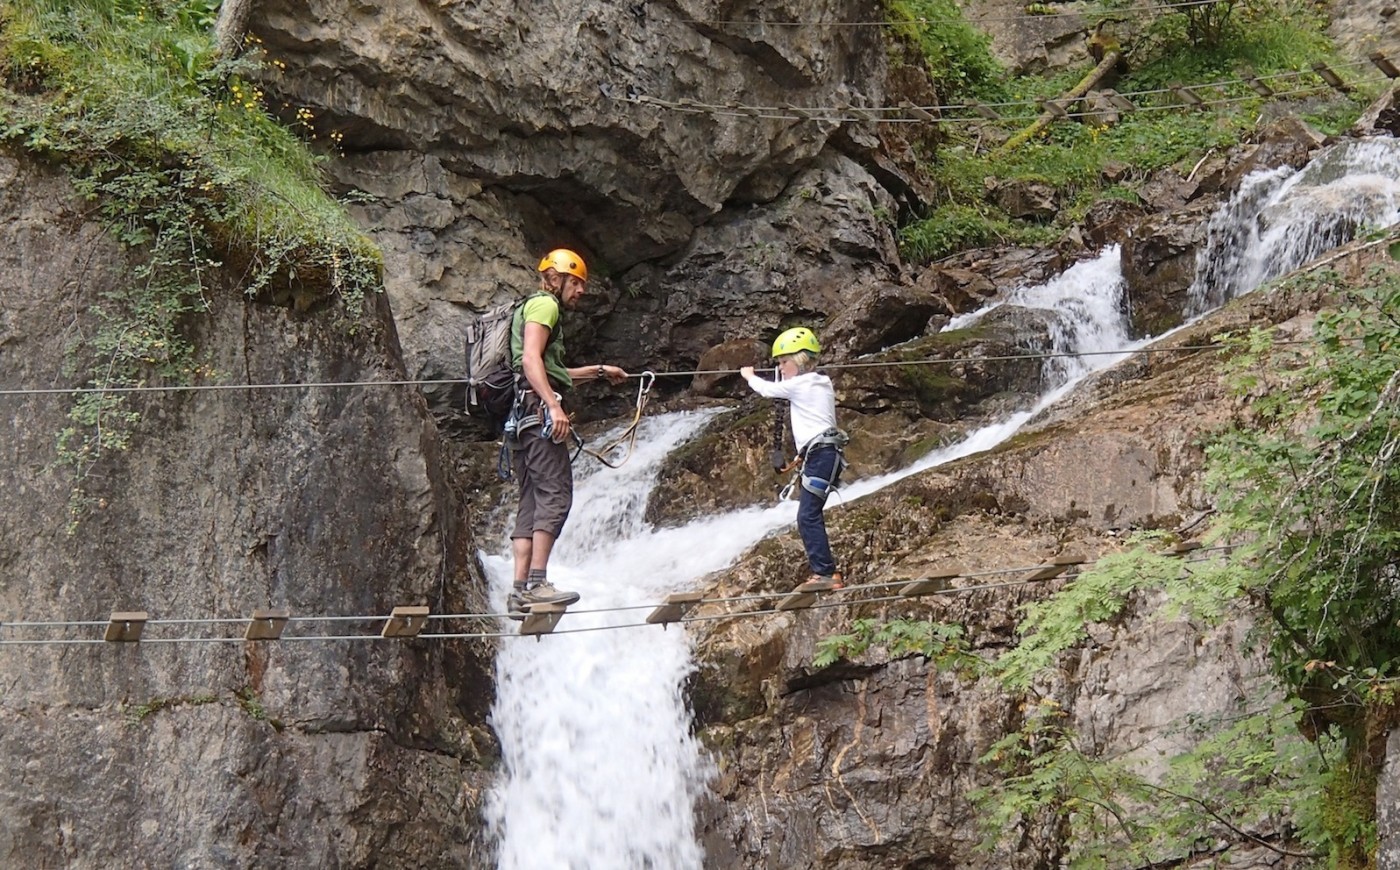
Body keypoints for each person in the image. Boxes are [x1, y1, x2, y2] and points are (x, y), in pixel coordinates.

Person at [505, 248, 629, 616]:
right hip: (537, 412)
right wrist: (554, 406)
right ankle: (539, 583)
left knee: (532, 500)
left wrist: (599, 370)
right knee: (556, 495)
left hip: (521, 415)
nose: (580, 292)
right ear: (557, 279)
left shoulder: (532, 306)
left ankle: (518, 592)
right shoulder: (546, 306)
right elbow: (530, 359)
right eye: (576, 283)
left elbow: (548, 367)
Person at [740, 326, 848, 593]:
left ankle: (826, 572)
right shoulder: (815, 384)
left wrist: (749, 376)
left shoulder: (806, 382)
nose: (781, 368)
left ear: (800, 361)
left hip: (823, 456)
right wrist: (801, 456)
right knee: (808, 515)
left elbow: (767, 391)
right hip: (820, 455)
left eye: (784, 362)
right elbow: (814, 424)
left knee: (808, 516)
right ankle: (825, 571)